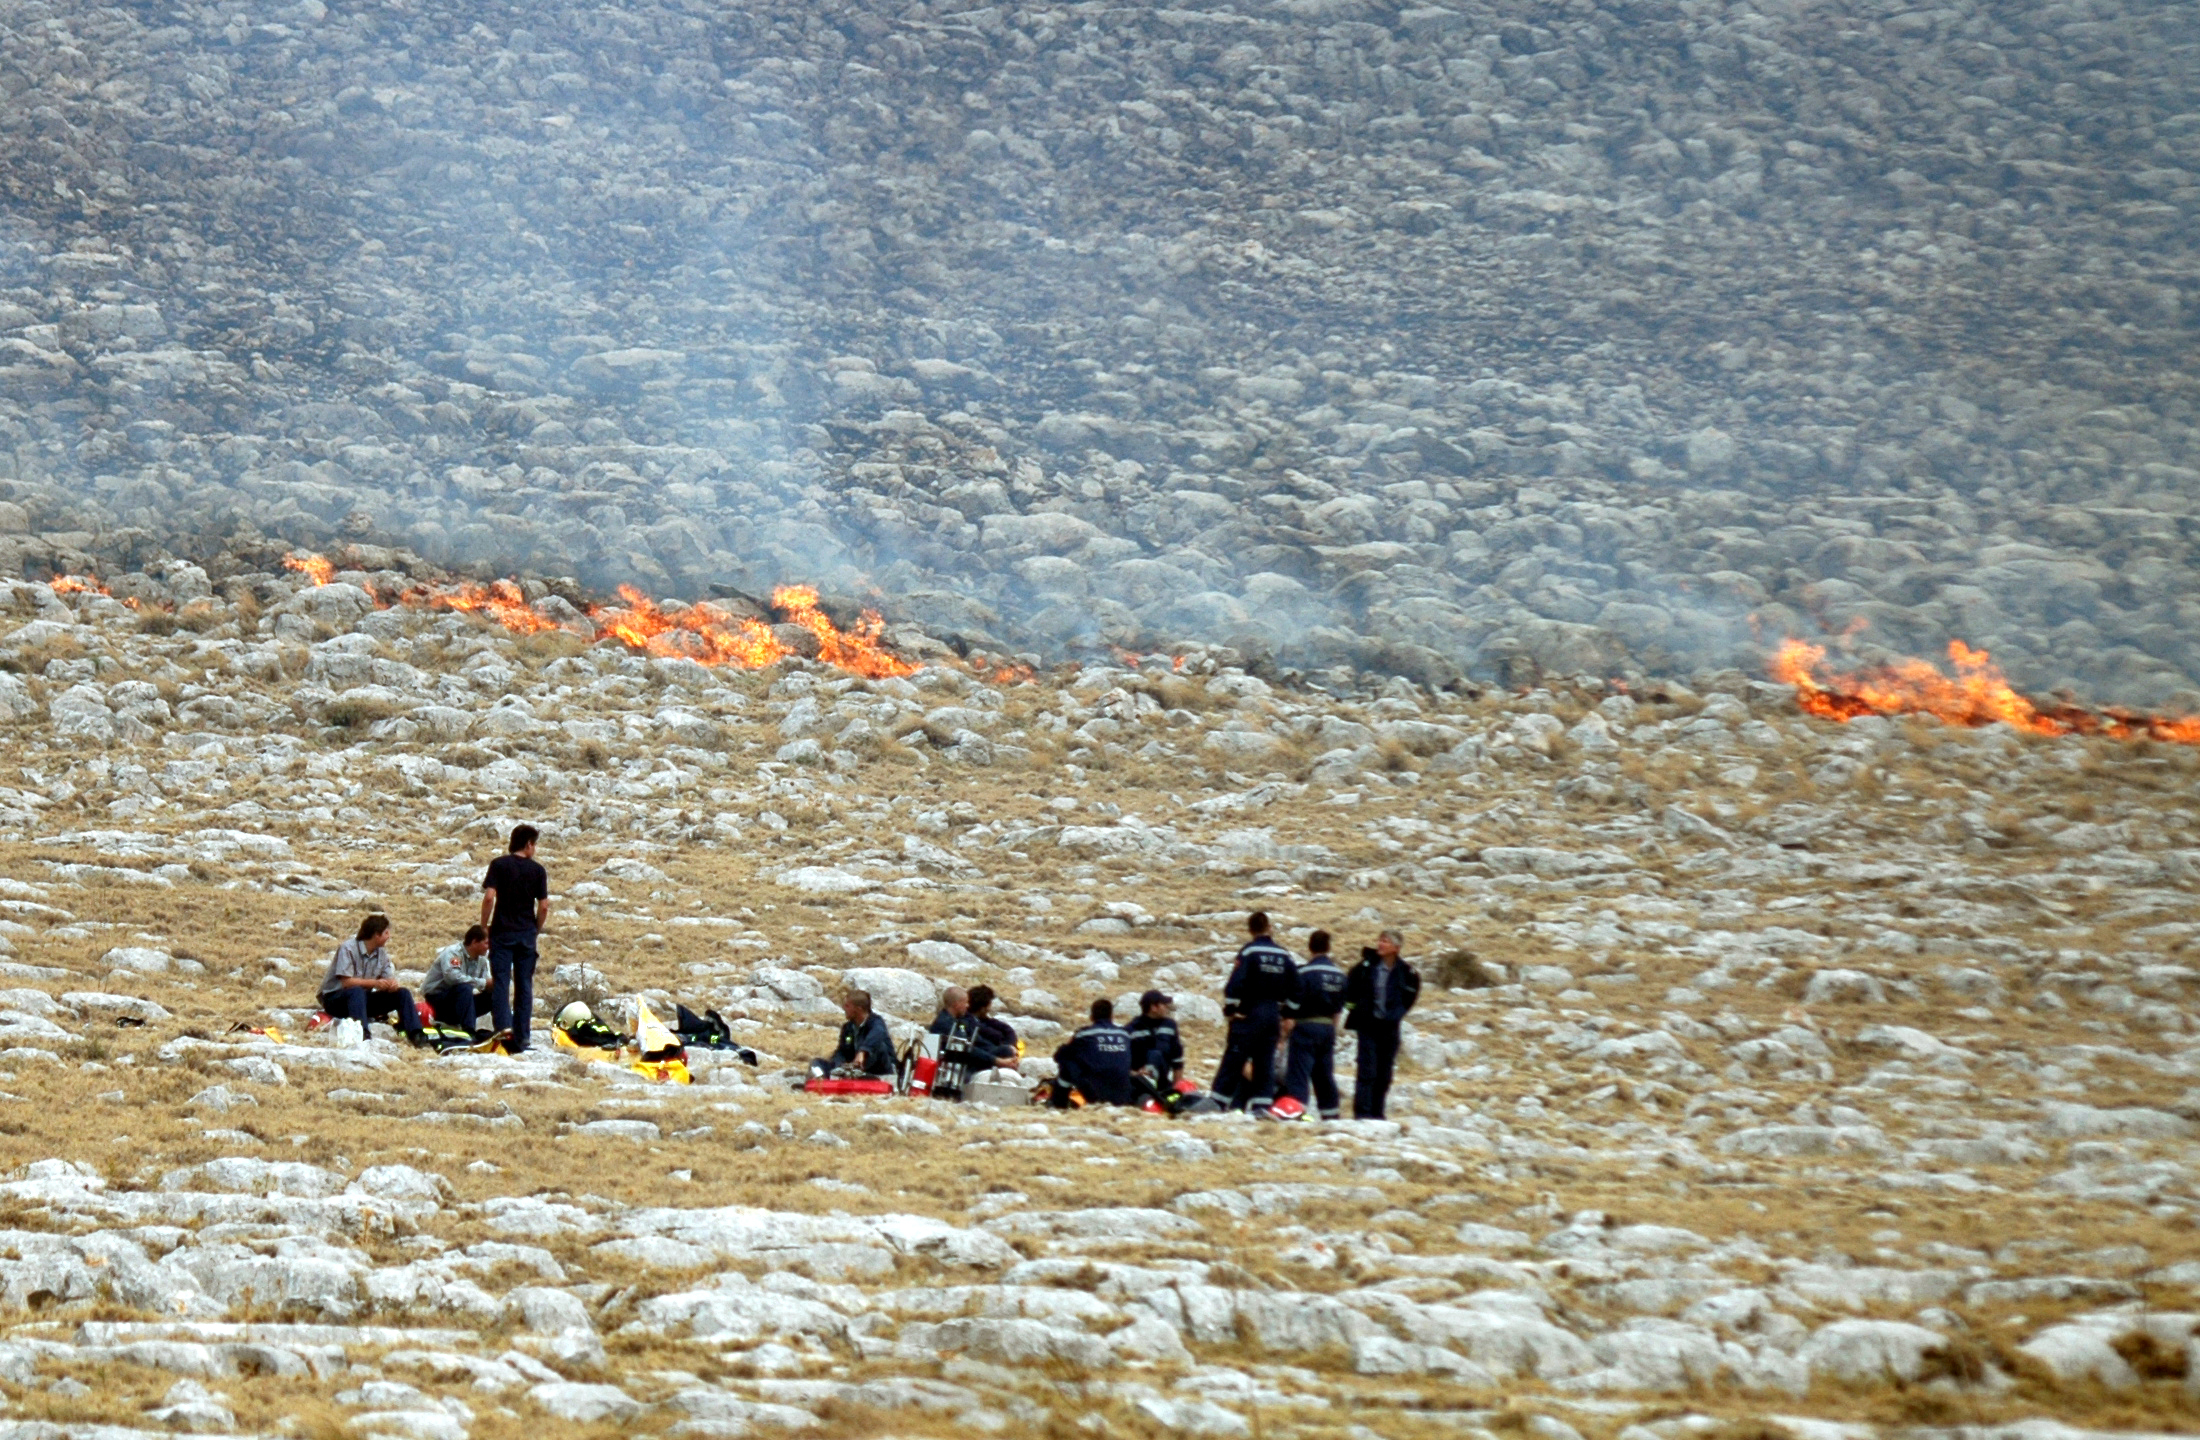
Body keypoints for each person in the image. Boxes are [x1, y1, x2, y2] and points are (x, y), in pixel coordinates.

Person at [1220, 910, 1299, 1114]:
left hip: (1250, 1012)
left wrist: (1231, 1010)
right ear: (1269, 927)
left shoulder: (1248, 952)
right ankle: (1262, 1108)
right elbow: (1297, 987)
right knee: (1265, 1064)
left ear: (1250, 929)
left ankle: (1218, 1105)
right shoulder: (1283, 954)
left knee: (1234, 1061)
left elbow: (1235, 984)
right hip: (1273, 1013)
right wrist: (1288, 1014)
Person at [481, 824, 550, 1054]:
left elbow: (489, 897)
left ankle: (503, 1029)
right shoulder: (538, 871)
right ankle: (523, 1037)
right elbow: (543, 906)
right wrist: (535, 929)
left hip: (502, 932)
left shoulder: (499, 865)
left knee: (501, 983)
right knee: (524, 985)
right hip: (526, 934)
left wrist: (484, 926)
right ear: (528, 844)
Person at [1343, 929, 1420, 1121]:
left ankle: (1377, 1113)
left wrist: (1396, 1014)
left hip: (1389, 1029)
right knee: (1366, 1071)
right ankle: (1362, 1114)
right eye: (1380, 940)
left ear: (1396, 948)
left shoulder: (1407, 973)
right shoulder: (1365, 967)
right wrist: (1356, 1009)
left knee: (1384, 1074)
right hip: (1367, 1027)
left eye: (1385, 941)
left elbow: (1409, 997)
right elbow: (1350, 989)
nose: (1380, 944)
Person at [318, 915, 424, 1045]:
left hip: (361, 1001)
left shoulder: (382, 954)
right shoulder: (348, 948)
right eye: (386, 933)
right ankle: (363, 1033)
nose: (389, 936)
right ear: (376, 935)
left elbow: (387, 976)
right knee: (356, 991)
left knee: (403, 993)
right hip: (336, 999)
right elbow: (346, 982)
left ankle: (416, 1034)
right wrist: (375, 983)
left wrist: (391, 984)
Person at [1282, 929, 1348, 1120]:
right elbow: (1339, 1009)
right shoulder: (1339, 975)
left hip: (1305, 1027)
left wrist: (1287, 1019)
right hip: (1328, 1028)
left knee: (1299, 1074)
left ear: (1310, 947)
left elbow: (1293, 1003)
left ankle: (1297, 1113)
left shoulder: (1304, 973)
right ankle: (1331, 1115)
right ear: (1328, 948)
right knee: (1324, 1075)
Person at [1053, 998, 1134, 1106]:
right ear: (1111, 1016)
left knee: (1068, 1063)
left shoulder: (1085, 1034)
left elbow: (1060, 1056)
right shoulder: (1124, 1034)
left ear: (1092, 1016)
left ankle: (1059, 1104)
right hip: (1123, 1091)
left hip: (1095, 1092)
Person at [421, 924, 493, 1037]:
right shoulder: (453, 953)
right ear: (474, 942)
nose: (488, 947)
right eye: (486, 943)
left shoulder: (482, 960)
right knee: (464, 988)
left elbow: (485, 981)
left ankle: (504, 1028)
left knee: (494, 995)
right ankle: (469, 1031)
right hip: (438, 1000)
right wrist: (483, 983)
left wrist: (492, 985)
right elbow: (453, 978)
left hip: (461, 1001)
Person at [926, 985, 1000, 1093]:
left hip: (964, 1061)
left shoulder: (960, 1020)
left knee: (1003, 1051)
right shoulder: (945, 1023)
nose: (967, 1005)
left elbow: (977, 1040)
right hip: (954, 1067)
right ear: (957, 1004)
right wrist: (996, 1060)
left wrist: (996, 1052)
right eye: (965, 1002)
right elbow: (964, 1048)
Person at [810, 990, 895, 1079]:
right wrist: (839, 1063)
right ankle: (821, 1081)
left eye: (847, 1006)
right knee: (817, 1063)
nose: (844, 1008)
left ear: (859, 1009)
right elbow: (842, 1051)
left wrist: (863, 1051)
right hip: (853, 1069)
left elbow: (877, 1034)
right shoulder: (848, 1028)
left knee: (880, 1046)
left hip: (877, 1069)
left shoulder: (877, 1023)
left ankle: (860, 1074)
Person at [1126, 989, 1183, 1092]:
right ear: (1153, 1007)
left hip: (1163, 1081)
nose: (1166, 1007)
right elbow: (1123, 1060)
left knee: (1156, 1055)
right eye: (1163, 1004)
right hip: (1139, 1082)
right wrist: (1135, 1074)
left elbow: (1177, 1059)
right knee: (1154, 1054)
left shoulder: (1170, 1026)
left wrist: (1177, 1088)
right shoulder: (1132, 1029)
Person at [968, 985, 1019, 1072]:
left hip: (992, 1053)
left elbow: (1008, 1030)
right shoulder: (969, 1021)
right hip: (981, 1057)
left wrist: (1010, 1045)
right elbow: (992, 1036)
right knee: (1005, 1051)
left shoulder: (985, 1020)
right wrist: (1006, 1047)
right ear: (982, 1008)